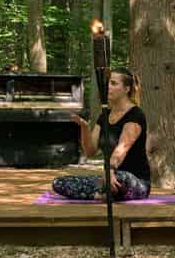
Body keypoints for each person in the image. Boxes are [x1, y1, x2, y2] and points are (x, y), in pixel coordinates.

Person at [52, 68, 151, 201]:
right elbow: (90, 151)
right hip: (108, 177)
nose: (108, 87)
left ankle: (104, 193)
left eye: (114, 83)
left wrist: (109, 170)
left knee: (121, 179)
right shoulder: (103, 116)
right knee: (59, 182)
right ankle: (101, 195)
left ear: (127, 89)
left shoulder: (135, 115)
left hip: (135, 181)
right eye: (108, 83)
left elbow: (121, 150)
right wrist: (84, 127)